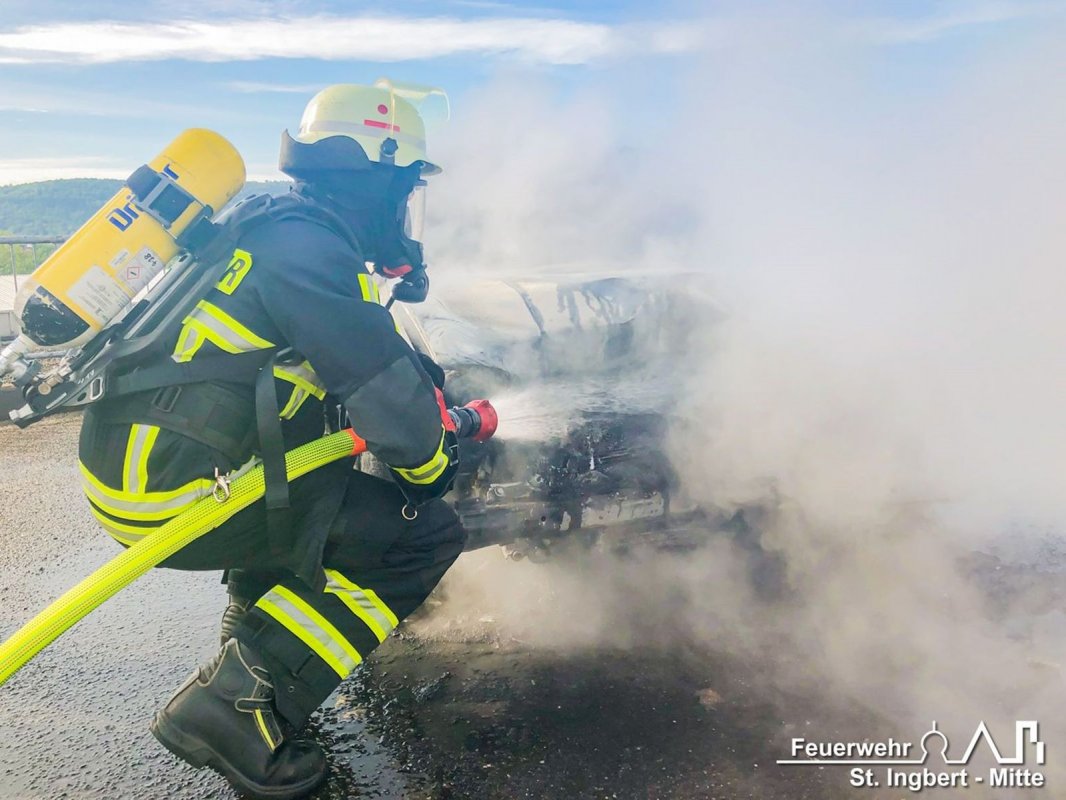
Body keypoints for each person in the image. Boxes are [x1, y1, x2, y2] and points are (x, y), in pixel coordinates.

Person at [77, 82, 468, 800]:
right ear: (379, 175)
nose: (408, 207)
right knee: (421, 535)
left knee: (318, 481)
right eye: (406, 187)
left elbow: (347, 352)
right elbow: (397, 414)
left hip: (142, 469)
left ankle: (247, 643)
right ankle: (234, 709)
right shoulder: (310, 252)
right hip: (173, 496)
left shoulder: (263, 225)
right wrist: (433, 466)